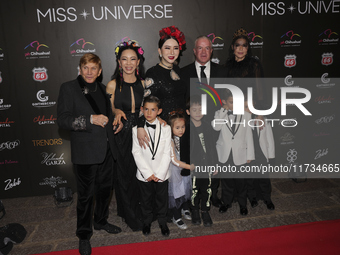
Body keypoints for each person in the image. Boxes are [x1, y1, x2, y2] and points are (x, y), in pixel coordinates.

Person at [57, 53, 121, 255]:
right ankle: (84, 235)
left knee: (104, 192)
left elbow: (108, 115)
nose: (90, 72)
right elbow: (63, 121)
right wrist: (90, 119)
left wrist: (116, 117)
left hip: (107, 151)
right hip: (85, 153)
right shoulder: (68, 88)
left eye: (94, 68)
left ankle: (100, 221)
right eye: (86, 68)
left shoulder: (103, 90)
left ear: (100, 71)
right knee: (85, 197)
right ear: (80, 69)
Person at [181, 35, 227, 208]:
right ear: (194, 51)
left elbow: (225, 98)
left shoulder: (222, 71)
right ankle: (195, 195)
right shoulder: (184, 72)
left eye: (207, 48)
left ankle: (213, 194)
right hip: (193, 125)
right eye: (200, 48)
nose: (203, 51)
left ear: (211, 50)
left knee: (213, 158)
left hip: (215, 125)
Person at [106, 40, 145, 231]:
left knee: (140, 172)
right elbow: (108, 108)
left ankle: (140, 208)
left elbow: (148, 109)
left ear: (138, 62)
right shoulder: (113, 84)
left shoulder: (144, 84)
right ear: (119, 62)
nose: (128, 63)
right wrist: (116, 112)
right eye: (124, 59)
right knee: (124, 175)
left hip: (140, 131)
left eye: (133, 59)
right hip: (120, 133)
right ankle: (129, 213)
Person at [137, 25, 187, 148]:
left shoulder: (178, 70)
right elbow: (146, 102)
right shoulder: (153, 72)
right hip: (163, 129)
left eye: (175, 48)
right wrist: (140, 126)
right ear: (160, 51)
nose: (171, 52)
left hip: (181, 128)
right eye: (167, 48)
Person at [132, 95, 172, 237]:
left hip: (162, 172)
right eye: (146, 109)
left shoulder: (166, 129)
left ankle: (162, 221)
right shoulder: (136, 129)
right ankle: (147, 221)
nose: (149, 113)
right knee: (146, 199)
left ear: (159, 111)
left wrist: (160, 173)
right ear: (142, 110)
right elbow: (136, 152)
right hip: (144, 173)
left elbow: (168, 152)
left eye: (153, 110)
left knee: (162, 199)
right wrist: (147, 173)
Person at [212, 89, 254, 216]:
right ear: (224, 102)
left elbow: (249, 136)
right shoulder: (219, 113)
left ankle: (243, 204)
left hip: (240, 154)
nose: (235, 104)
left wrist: (250, 154)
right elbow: (216, 127)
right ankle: (226, 202)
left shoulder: (246, 115)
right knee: (227, 181)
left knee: (241, 182)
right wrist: (224, 110)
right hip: (224, 154)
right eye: (231, 102)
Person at [187, 95, 218, 227]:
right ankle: (194, 211)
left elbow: (212, 146)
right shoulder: (186, 127)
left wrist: (215, 164)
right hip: (194, 166)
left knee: (207, 190)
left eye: (200, 109)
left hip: (207, 166)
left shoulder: (207, 126)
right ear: (188, 112)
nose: (198, 113)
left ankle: (205, 211)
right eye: (194, 110)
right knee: (194, 190)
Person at [244, 100, 275, 210]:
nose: (248, 109)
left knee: (264, 178)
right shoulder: (240, 121)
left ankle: (267, 198)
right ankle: (252, 199)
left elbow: (270, 139)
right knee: (250, 179)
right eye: (246, 106)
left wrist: (271, 156)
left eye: (251, 106)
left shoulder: (262, 119)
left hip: (261, 154)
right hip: (248, 156)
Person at [225, 27, 266, 107]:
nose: (241, 49)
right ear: (233, 47)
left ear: (248, 48)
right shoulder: (227, 66)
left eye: (244, 45)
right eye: (238, 45)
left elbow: (260, 91)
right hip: (233, 109)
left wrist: (260, 113)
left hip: (250, 108)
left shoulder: (254, 65)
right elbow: (225, 91)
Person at [167, 111, 194, 230]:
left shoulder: (185, 138)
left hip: (184, 169)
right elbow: (174, 160)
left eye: (183, 127)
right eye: (177, 127)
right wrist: (189, 166)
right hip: (174, 170)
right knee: (176, 192)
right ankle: (176, 215)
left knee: (185, 189)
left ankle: (184, 208)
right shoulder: (170, 141)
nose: (181, 130)